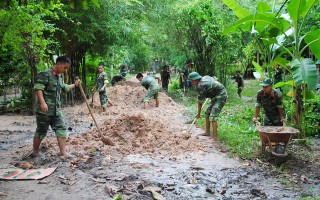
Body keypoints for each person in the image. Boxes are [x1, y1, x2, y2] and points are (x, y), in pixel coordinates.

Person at [32, 56, 80, 161]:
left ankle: (63, 153)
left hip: (56, 111)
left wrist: (75, 85)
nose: (65, 70)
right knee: (41, 131)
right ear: (58, 64)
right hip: (44, 111)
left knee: (62, 129)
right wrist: (42, 103)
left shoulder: (58, 77)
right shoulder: (45, 74)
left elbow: (64, 88)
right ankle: (35, 152)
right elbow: (38, 88)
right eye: (65, 67)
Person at [188, 72, 228, 141]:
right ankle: (207, 132)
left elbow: (200, 102)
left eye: (191, 80)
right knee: (207, 113)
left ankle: (214, 137)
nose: (191, 82)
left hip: (221, 95)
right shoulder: (204, 78)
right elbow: (213, 78)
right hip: (215, 96)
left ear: (195, 80)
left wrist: (198, 114)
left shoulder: (201, 86)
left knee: (213, 116)